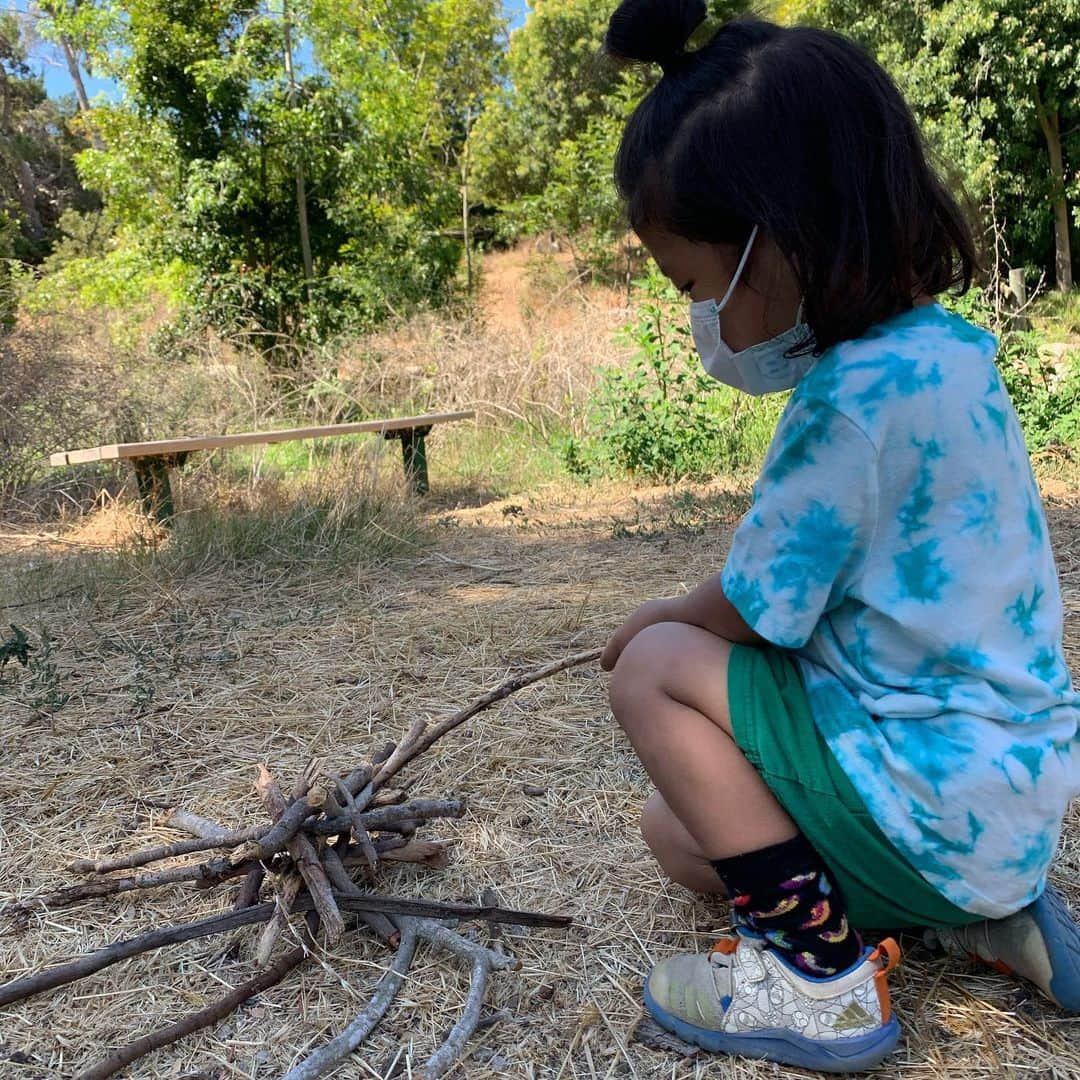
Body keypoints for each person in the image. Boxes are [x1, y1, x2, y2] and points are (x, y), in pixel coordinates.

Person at [599, 1, 1080, 1072]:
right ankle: (985, 920)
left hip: (917, 798)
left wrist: (656, 618)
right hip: (999, 814)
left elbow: (753, 613)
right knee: (678, 834)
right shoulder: (953, 358)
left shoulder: (846, 405)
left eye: (694, 283)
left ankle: (817, 985)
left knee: (655, 671)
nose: (701, 321)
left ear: (777, 235)